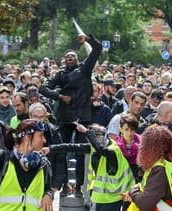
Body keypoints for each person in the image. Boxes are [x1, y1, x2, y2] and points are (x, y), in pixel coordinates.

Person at [39, 34, 102, 196]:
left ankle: (79, 186)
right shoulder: (60, 74)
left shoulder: (85, 68)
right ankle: (64, 185)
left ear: (77, 59)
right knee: (61, 151)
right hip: (65, 117)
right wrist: (60, 96)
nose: (71, 58)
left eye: (73, 56)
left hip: (82, 117)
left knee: (80, 152)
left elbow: (98, 49)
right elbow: (43, 88)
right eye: (68, 57)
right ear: (63, 60)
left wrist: (88, 39)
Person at [0, 105, 53, 210]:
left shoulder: (44, 164)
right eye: (40, 136)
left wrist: (49, 195)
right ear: (27, 138)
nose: (44, 140)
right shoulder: (4, 159)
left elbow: (47, 188)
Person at [44, 122, 134, 211]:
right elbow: (71, 147)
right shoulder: (94, 147)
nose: (88, 142)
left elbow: (100, 149)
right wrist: (50, 149)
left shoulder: (113, 150)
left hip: (114, 197)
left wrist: (87, 132)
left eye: (90, 140)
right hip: (101, 197)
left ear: (99, 137)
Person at [128, 126, 172, 211]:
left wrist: (133, 191)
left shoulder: (159, 170)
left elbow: (145, 204)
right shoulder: (168, 163)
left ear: (149, 148)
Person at [114, 113, 141, 181]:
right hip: (121, 180)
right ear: (120, 129)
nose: (129, 133)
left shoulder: (142, 143)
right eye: (126, 129)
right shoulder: (115, 146)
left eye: (132, 130)